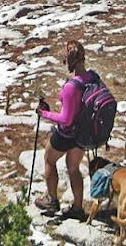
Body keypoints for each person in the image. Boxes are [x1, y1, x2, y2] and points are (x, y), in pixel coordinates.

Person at [34, 40, 92, 221]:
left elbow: (66, 119)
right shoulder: (92, 77)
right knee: (73, 169)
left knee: (49, 159)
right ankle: (77, 208)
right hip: (83, 133)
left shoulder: (70, 87)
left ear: (69, 60)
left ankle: (51, 200)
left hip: (68, 133)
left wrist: (45, 113)